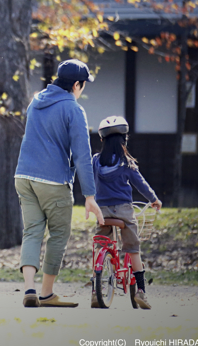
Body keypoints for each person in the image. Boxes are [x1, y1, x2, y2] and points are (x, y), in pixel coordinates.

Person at [15, 59, 105, 308]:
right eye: (83, 84)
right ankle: (46, 293)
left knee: (32, 231)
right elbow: (82, 155)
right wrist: (89, 195)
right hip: (52, 181)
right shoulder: (73, 109)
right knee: (58, 234)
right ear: (76, 84)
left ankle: (29, 289)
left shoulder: (36, 101)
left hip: (23, 176)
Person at [90, 115, 162, 310]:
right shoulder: (127, 163)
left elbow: (88, 181)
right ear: (124, 140)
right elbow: (141, 184)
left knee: (100, 244)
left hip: (102, 212)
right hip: (123, 211)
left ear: (102, 140)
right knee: (132, 249)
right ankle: (140, 291)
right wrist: (154, 200)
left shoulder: (95, 161)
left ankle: (95, 291)